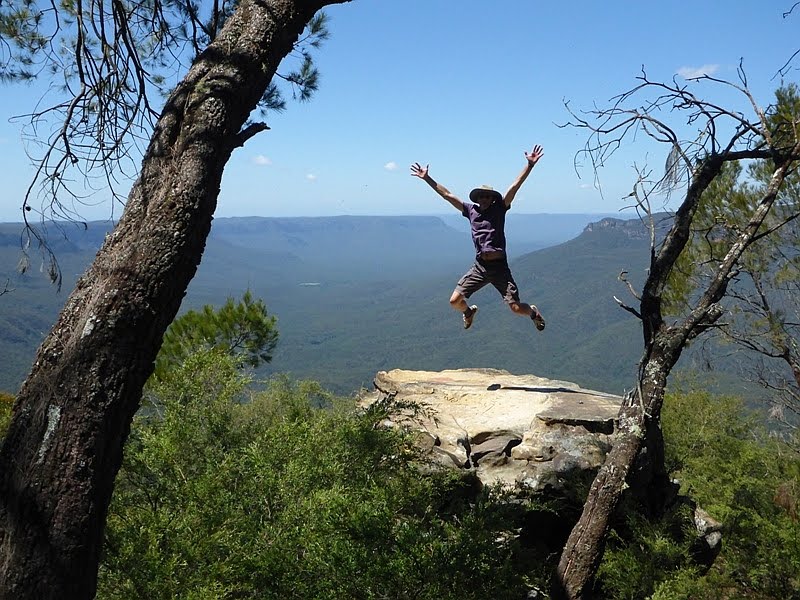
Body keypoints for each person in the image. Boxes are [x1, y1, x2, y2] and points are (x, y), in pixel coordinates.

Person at [410, 145, 546, 332]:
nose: (483, 198)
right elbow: (447, 195)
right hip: (480, 266)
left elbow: (515, 186)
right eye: (480, 196)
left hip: (499, 268)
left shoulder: (499, 209)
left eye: (487, 196)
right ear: (477, 198)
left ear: (492, 199)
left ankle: (533, 313)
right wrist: (427, 178)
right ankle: (468, 312)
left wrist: (529, 166)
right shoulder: (470, 210)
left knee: (515, 308)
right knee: (455, 301)